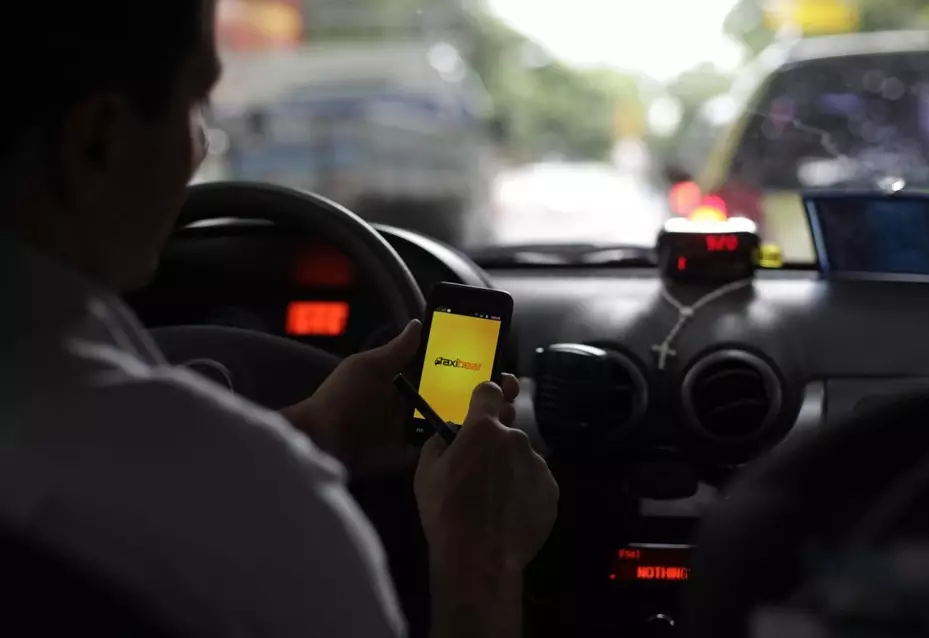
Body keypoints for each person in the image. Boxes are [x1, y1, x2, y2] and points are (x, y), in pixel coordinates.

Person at [0, 2, 558, 638]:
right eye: (196, 105)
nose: (202, 147)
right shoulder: (271, 512)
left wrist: (317, 430)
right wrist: (481, 554)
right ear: (97, 143)